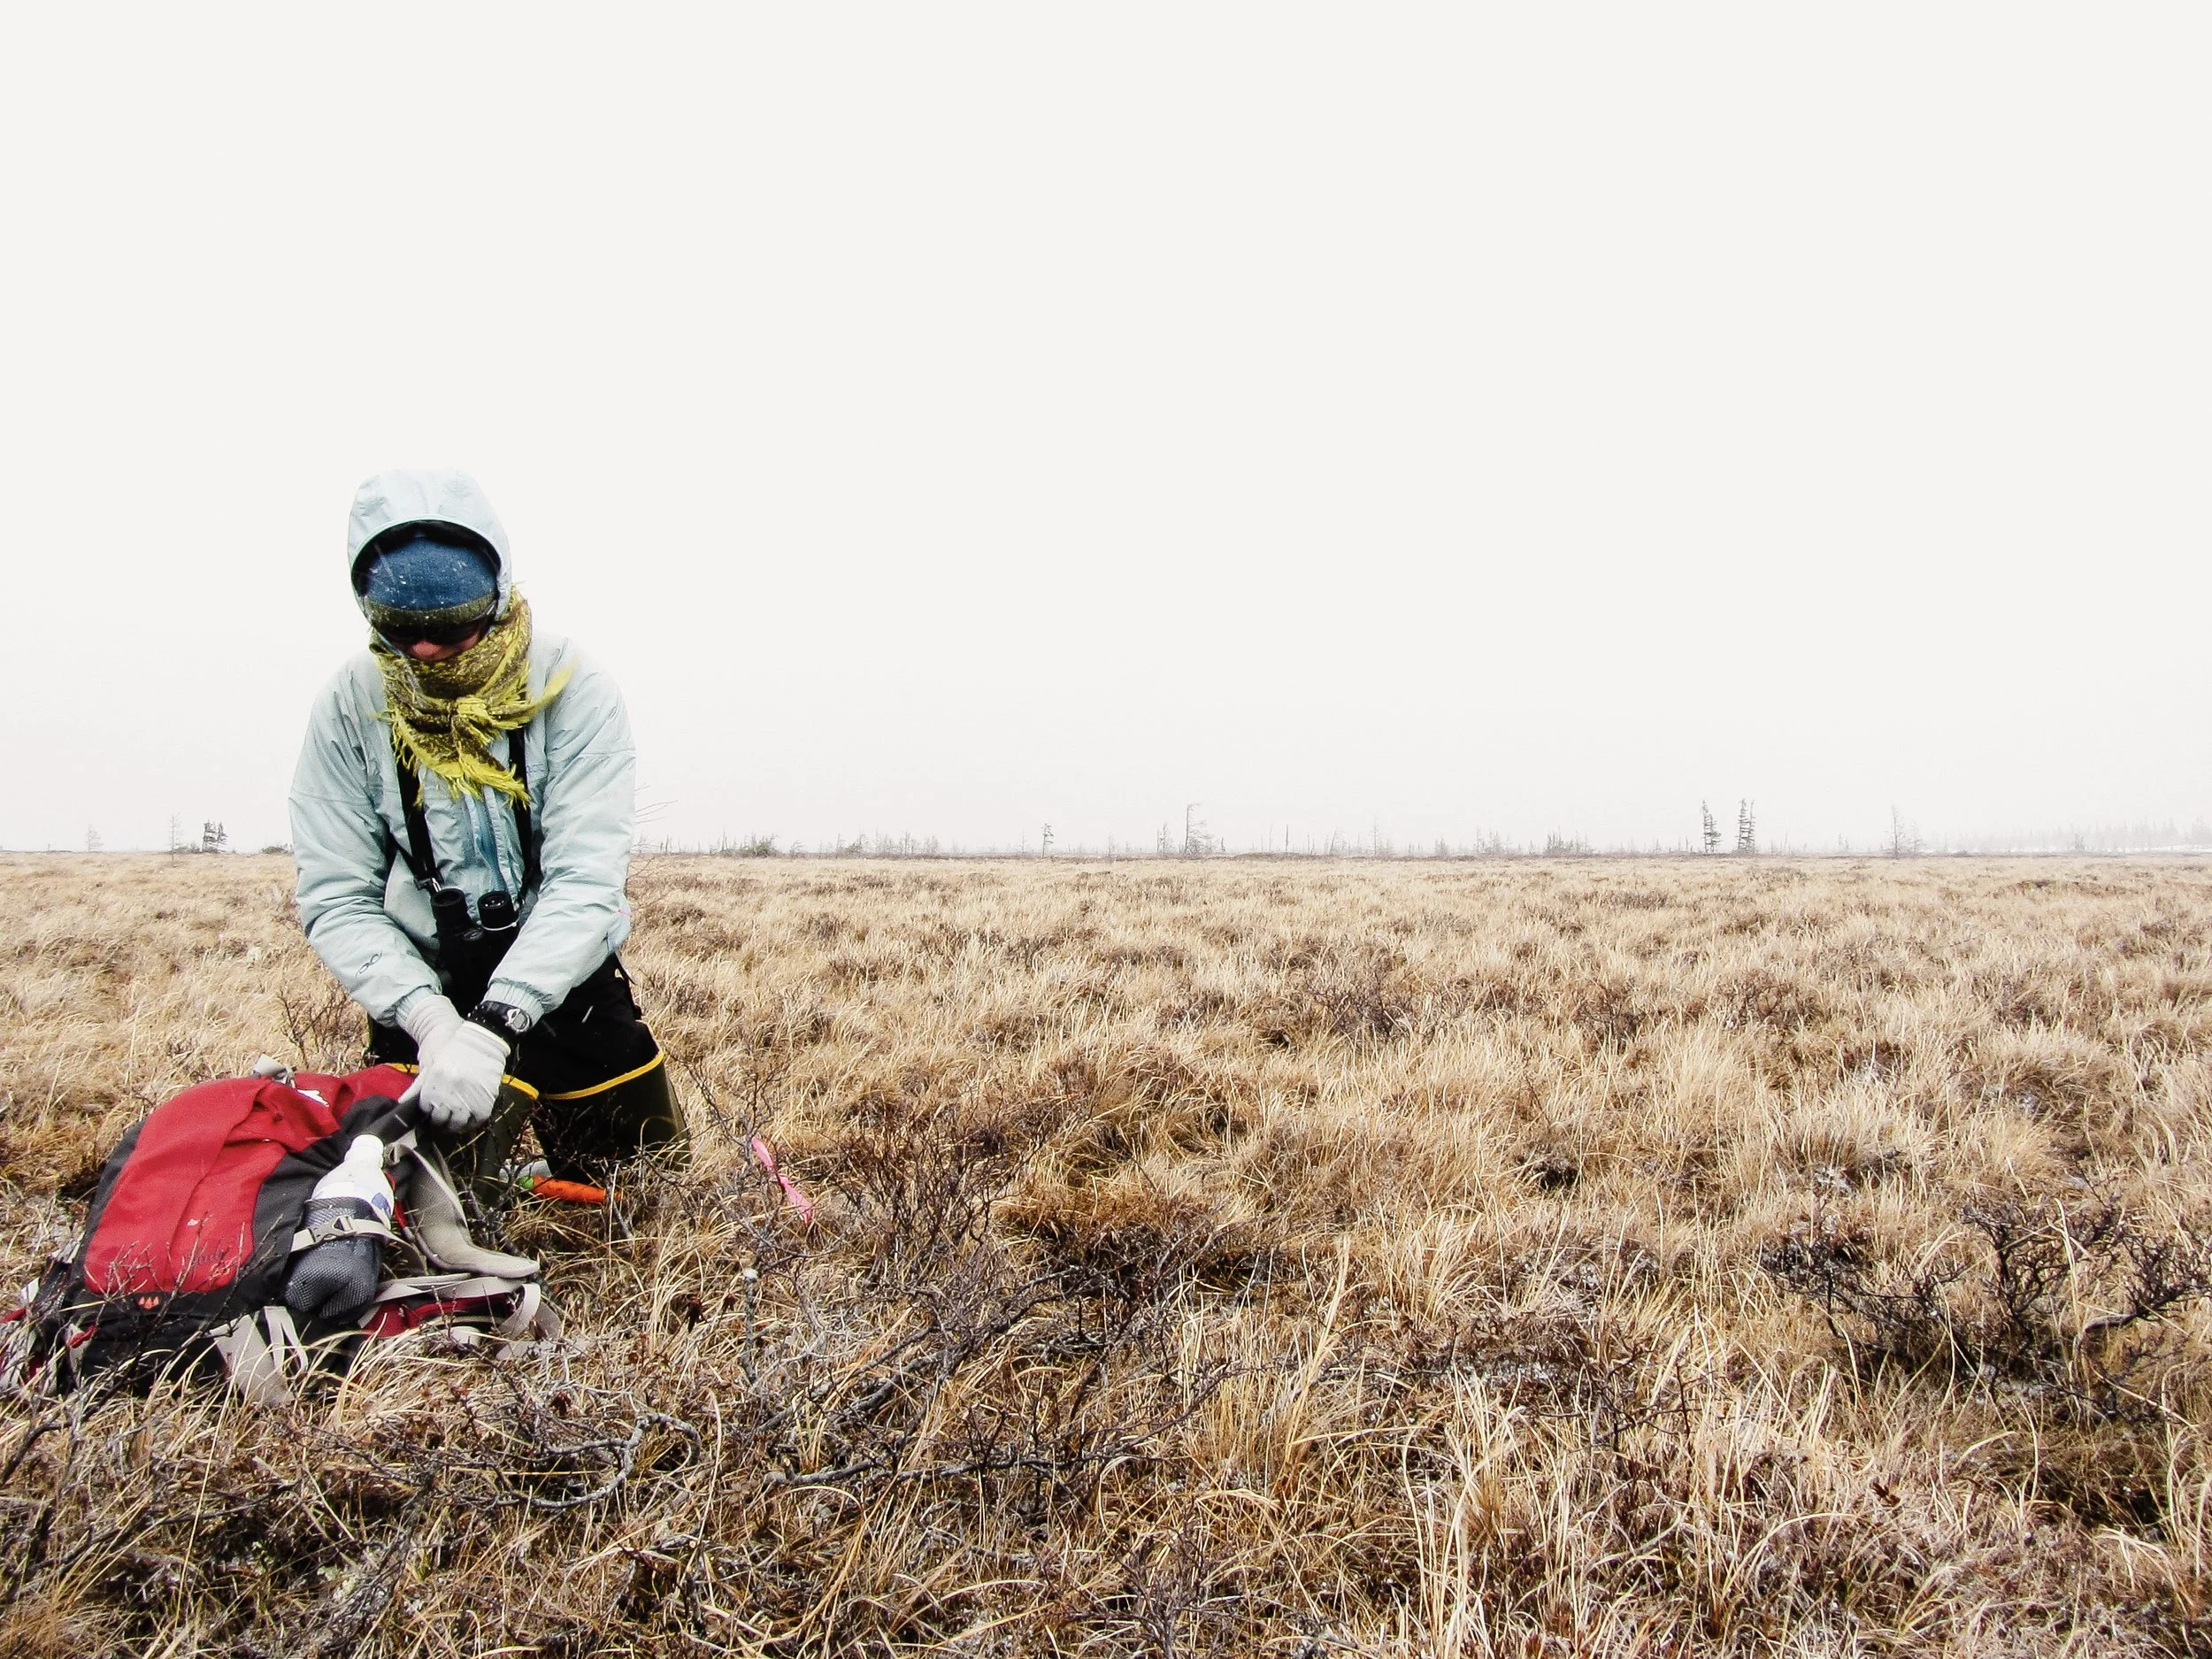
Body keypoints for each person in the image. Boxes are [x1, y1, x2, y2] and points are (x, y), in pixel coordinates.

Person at [288, 469, 685, 1228]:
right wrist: (432, 1022)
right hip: (420, 987)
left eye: (455, 622)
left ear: (497, 598)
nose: (430, 649)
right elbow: (336, 895)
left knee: (644, 1201)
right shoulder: (348, 704)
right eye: (403, 629)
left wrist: (498, 1024)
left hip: (567, 981)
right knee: (417, 1218)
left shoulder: (576, 685)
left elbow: (584, 881)